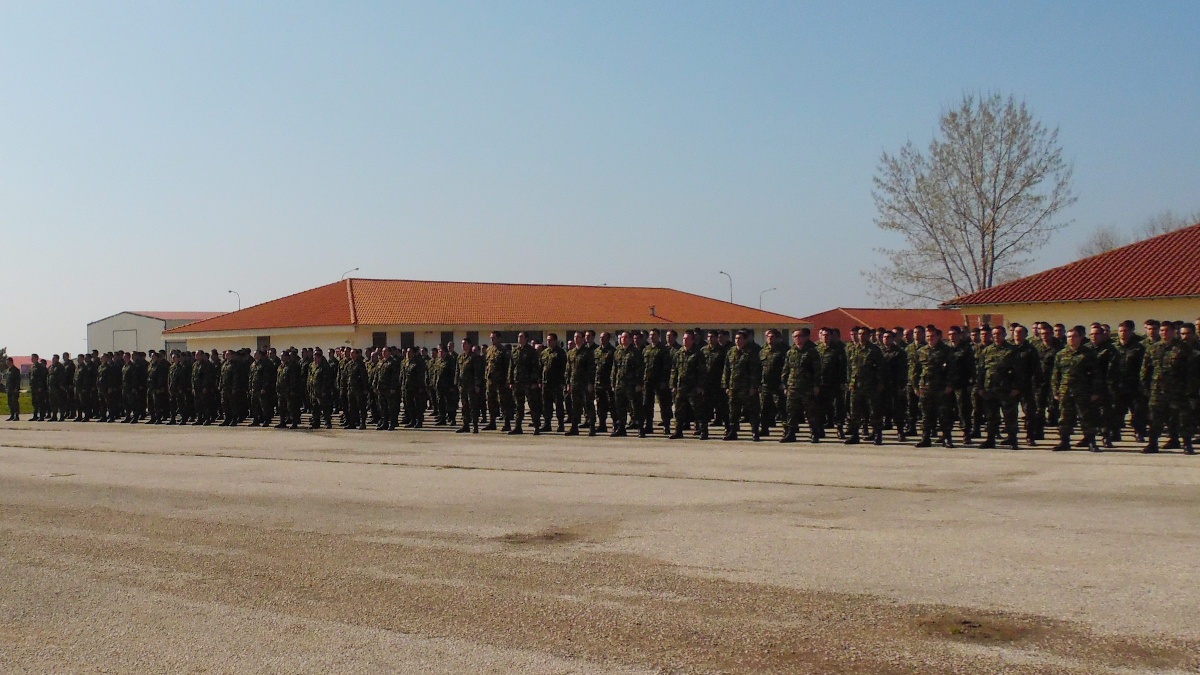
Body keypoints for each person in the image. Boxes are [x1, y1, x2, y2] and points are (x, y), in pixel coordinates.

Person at [1141, 321, 1195, 454]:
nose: (1165, 333)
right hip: (1157, 390)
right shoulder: (1153, 348)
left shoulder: (1184, 349)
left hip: (1178, 390)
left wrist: (1190, 390)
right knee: (1155, 419)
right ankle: (1153, 444)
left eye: (1167, 330)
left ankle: (1187, 445)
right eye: (1163, 330)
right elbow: (1145, 370)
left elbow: (1191, 372)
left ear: (1173, 332)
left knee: (1183, 419)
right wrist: (1145, 387)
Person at [1050, 326, 1102, 452]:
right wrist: (1055, 391)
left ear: (1080, 338)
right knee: (1064, 418)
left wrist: (1096, 392)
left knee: (1086, 418)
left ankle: (1091, 442)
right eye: (1069, 337)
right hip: (1065, 392)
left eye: (1074, 336)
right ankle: (1064, 441)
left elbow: (1097, 374)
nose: (1071, 339)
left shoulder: (1089, 354)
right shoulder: (1061, 354)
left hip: (1083, 392)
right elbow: (1056, 374)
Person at [913, 327, 957, 448]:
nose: (930, 339)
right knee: (926, 415)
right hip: (925, 388)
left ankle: (947, 437)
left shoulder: (947, 351)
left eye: (932, 336)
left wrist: (950, 385)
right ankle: (925, 438)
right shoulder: (921, 351)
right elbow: (915, 370)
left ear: (938, 337)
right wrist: (915, 386)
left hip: (941, 388)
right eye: (928, 337)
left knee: (944, 414)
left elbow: (953, 370)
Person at [780, 328, 821, 444]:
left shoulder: (812, 352)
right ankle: (791, 433)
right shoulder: (791, 352)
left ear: (806, 337)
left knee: (810, 412)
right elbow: (786, 369)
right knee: (791, 411)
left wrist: (816, 385)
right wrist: (785, 385)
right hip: (793, 386)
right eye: (795, 337)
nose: (797, 339)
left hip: (807, 387)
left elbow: (817, 370)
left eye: (800, 336)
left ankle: (814, 433)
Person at [844, 326, 883, 445]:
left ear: (869, 336)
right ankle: (855, 435)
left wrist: (880, 383)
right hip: (856, 385)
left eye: (864, 334)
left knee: (874, 411)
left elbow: (881, 368)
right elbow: (849, 367)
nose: (861, 336)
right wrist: (849, 382)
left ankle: (877, 434)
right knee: (855, 411)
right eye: (859, 334)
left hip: (870, 385)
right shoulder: (853, 349)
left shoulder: (874, 350)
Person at [723, 330, 762, 441]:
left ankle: (755, 432)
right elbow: (727, 369)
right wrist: (726, 385)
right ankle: (732, 431)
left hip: (747, 388)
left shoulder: (752, 352)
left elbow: (755, 371)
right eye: (736, 338)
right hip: (734, 387)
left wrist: (754, 386)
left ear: (745, 340)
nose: (737, 341)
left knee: (752, 411)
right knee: (733, 411)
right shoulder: (731, 352)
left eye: (740, 338)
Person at [669, 330, 708, 440]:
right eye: (684, 339)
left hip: (693, 387)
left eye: (687, 339)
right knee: (678, 411)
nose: (684, 341)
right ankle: (678, 431)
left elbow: (702, 371)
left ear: (692, 340)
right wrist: (673, 385)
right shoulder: (679, 353)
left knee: (698, 410)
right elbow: (674, 370)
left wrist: (700, 386)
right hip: (681, 387)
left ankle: (703, 431)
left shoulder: (698, 354)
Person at [507, 332, 542, 435]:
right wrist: (511, 381)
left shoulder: (531, 351)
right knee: (519, 406)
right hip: (517, 382)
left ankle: (536, 426)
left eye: (521, 337)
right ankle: (518, 427)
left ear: (526, 338)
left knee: (533, 405)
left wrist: (535, 381)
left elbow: (535, 367)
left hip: (528, 383)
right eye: (518, 337)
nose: (519, 339)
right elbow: (511, 367)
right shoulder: (515, 351)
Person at [641, 329, 673, 436]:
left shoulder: (663, 349)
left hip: (660, 381)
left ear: (659, 336)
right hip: (648, 381)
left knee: (664, 405)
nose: (651, 337)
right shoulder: (646, 350)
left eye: (654, 335)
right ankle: (649, 425)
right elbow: (643, 366)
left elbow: (667, 367)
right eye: (650, 335)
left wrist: (664, 381)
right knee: (647, 405)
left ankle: (666, 426)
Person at [564, 332, 596, 436]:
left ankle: (592, 426)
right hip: (574, 383)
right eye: (575, 337)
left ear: (583, 339)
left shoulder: (588, 352)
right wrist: (568, 383)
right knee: (575, 406)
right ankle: (574, 427)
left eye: (578, 337)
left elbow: (591, 369)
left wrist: (591, 383)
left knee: (588, 405)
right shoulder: (571, 353)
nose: (576, 339)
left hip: (585, 383)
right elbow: (568, 369)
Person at [758, 329, 788, 438]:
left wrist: (784, 383)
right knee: (764, 408)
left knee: (782, 408)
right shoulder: (763, 351)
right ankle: (764, 428)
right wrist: (759, 383)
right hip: (766, 384)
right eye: (768, 337)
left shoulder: (784, 351)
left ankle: (787, 429)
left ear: (778, 338)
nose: (770, 339)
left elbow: (786, 368)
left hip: (778, 385)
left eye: (772, 337)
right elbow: (759, 368)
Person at [484, 332, 513, 431]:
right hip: (490, 381)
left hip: (501, 381)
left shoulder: (504, 351)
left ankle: (507, 423)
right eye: (491, 338)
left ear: (499, 338)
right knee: (491, 402)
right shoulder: (489, 350)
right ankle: (492, 422)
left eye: (494, 338)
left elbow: (508, 367)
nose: (492, 340)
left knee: (503, 402)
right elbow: (487, 365)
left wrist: (508, 381)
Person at [540, 333, 567, 433]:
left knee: (559, 405)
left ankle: (561, 424)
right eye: (547, 340)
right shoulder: (544, 353)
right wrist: (540, 381)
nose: (549, 342)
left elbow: (564, 369)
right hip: (546, 383)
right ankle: (547, 424)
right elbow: (541, 367)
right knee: (546, 405)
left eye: (551, 340)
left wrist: (563, 382)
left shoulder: (560, 353)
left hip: (556, 383)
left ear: (555, 341)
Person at [456, 338, 483, 434]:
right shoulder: (460, 357)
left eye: (465, 344)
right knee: (464, 406)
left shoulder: (474, 357)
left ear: (470, 345)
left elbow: (477, 372)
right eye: (462, 344)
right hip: (463, 385)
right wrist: (457, 383)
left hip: (471, 385)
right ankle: (465, 425)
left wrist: (477, 384)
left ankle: (475, 425)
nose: (463, 346)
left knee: (473, 405)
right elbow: (458, 371)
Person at [4, 357, 20, 421]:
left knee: (15, 402)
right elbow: (7, 380)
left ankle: (16, 415)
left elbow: (17, 380)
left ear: (11, 362)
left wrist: (16, 388)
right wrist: (6, 387)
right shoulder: (8, 370)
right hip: (9, 389)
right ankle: (12, 415)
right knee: (10, 402)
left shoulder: (15, 370)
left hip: (14, 389)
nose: (7, 363)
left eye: (8, 362)